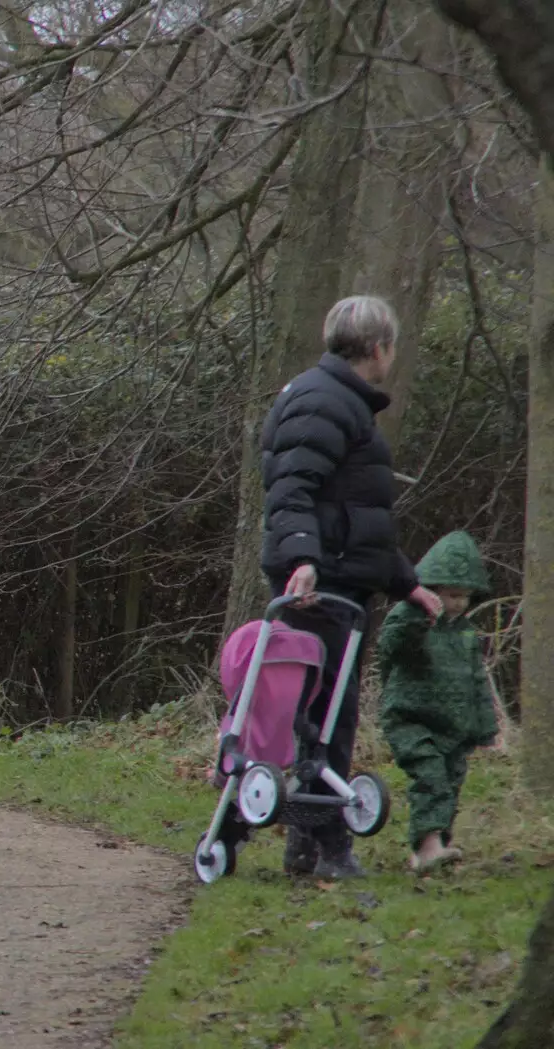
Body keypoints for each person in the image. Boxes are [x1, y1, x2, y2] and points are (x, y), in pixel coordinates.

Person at [258, 294, 442, 879]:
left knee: (325, 712)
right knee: (325, 714)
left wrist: (404, 582)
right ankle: (330, 847)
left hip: (337, 576)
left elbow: (355, 513)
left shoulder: (337, 401)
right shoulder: (324, 401)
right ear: (381, 347)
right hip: (322, 584)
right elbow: (291, 492)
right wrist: (304, 561)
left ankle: (308, 846)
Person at [376, 530, 499, 872]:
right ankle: (427, 847)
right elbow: (388, 649)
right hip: (410, 718)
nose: (458, 603)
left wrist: (484, 727)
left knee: (451, 783)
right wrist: (417, 621)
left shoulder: (465, 633)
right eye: (451, 594)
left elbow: (476, 681)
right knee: (430, 778)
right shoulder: (409, 617)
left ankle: (437, 844)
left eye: (465, 596)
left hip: (454, 726)